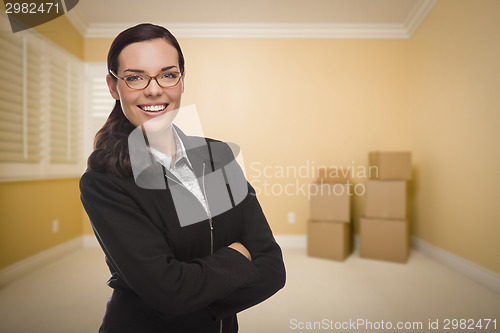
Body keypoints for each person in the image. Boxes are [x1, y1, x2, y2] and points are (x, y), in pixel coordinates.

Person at [79, 23, 286, 333]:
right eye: (135, 77)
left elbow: (271, 267)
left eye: (168, 74)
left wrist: (198, 302)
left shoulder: (217, 158)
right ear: (113, 87)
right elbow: (169, 293)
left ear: (182, 81)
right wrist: (237, 257)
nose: (153, 89)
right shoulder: (105, 182)